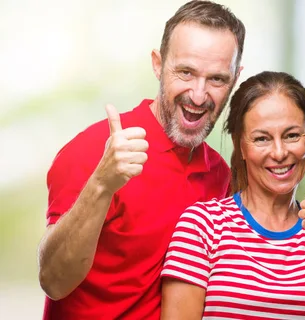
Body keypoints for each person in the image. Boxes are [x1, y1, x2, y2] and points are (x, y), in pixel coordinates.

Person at [37, 1, 245, 319]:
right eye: (185, 72)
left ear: (235, 77)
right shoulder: (92, 151)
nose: (199, 95)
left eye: (217, 79)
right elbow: (53, 281)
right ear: (158, 65)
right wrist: (101, 185)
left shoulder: (221, 176)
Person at [160, 71, 305, 319]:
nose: (279, 152)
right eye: (262, 138)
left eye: (292, 135)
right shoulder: (202, 227)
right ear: (240, 145)